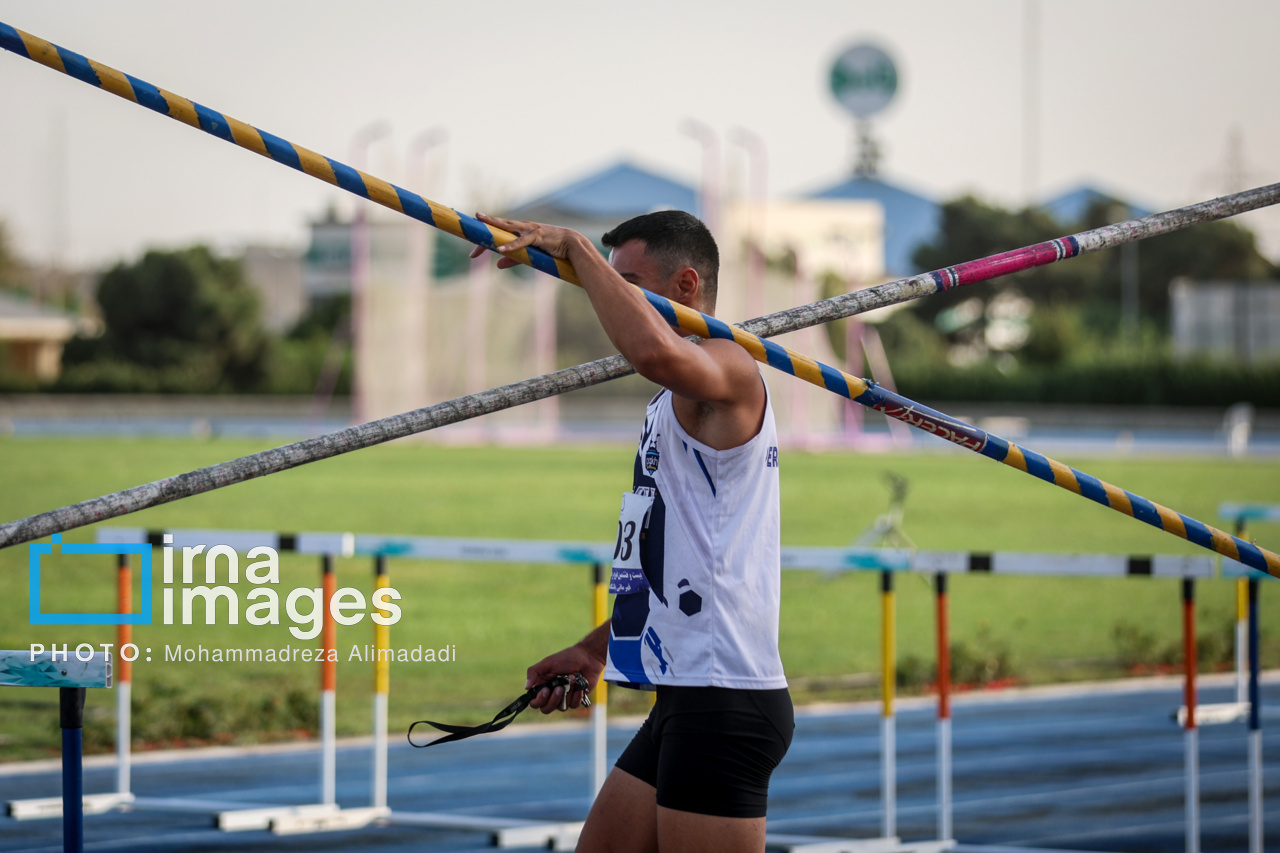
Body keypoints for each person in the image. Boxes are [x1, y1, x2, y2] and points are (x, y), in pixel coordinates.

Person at [470, 209, 791, 853]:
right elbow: (662, 555)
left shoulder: (730, 369)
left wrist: (577, 250)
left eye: (629, 282)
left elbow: (649, 352)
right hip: (686, 692)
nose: (610, 295)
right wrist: (596, 649)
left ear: (686, 286)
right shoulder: (669, 402)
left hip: (723, 695)